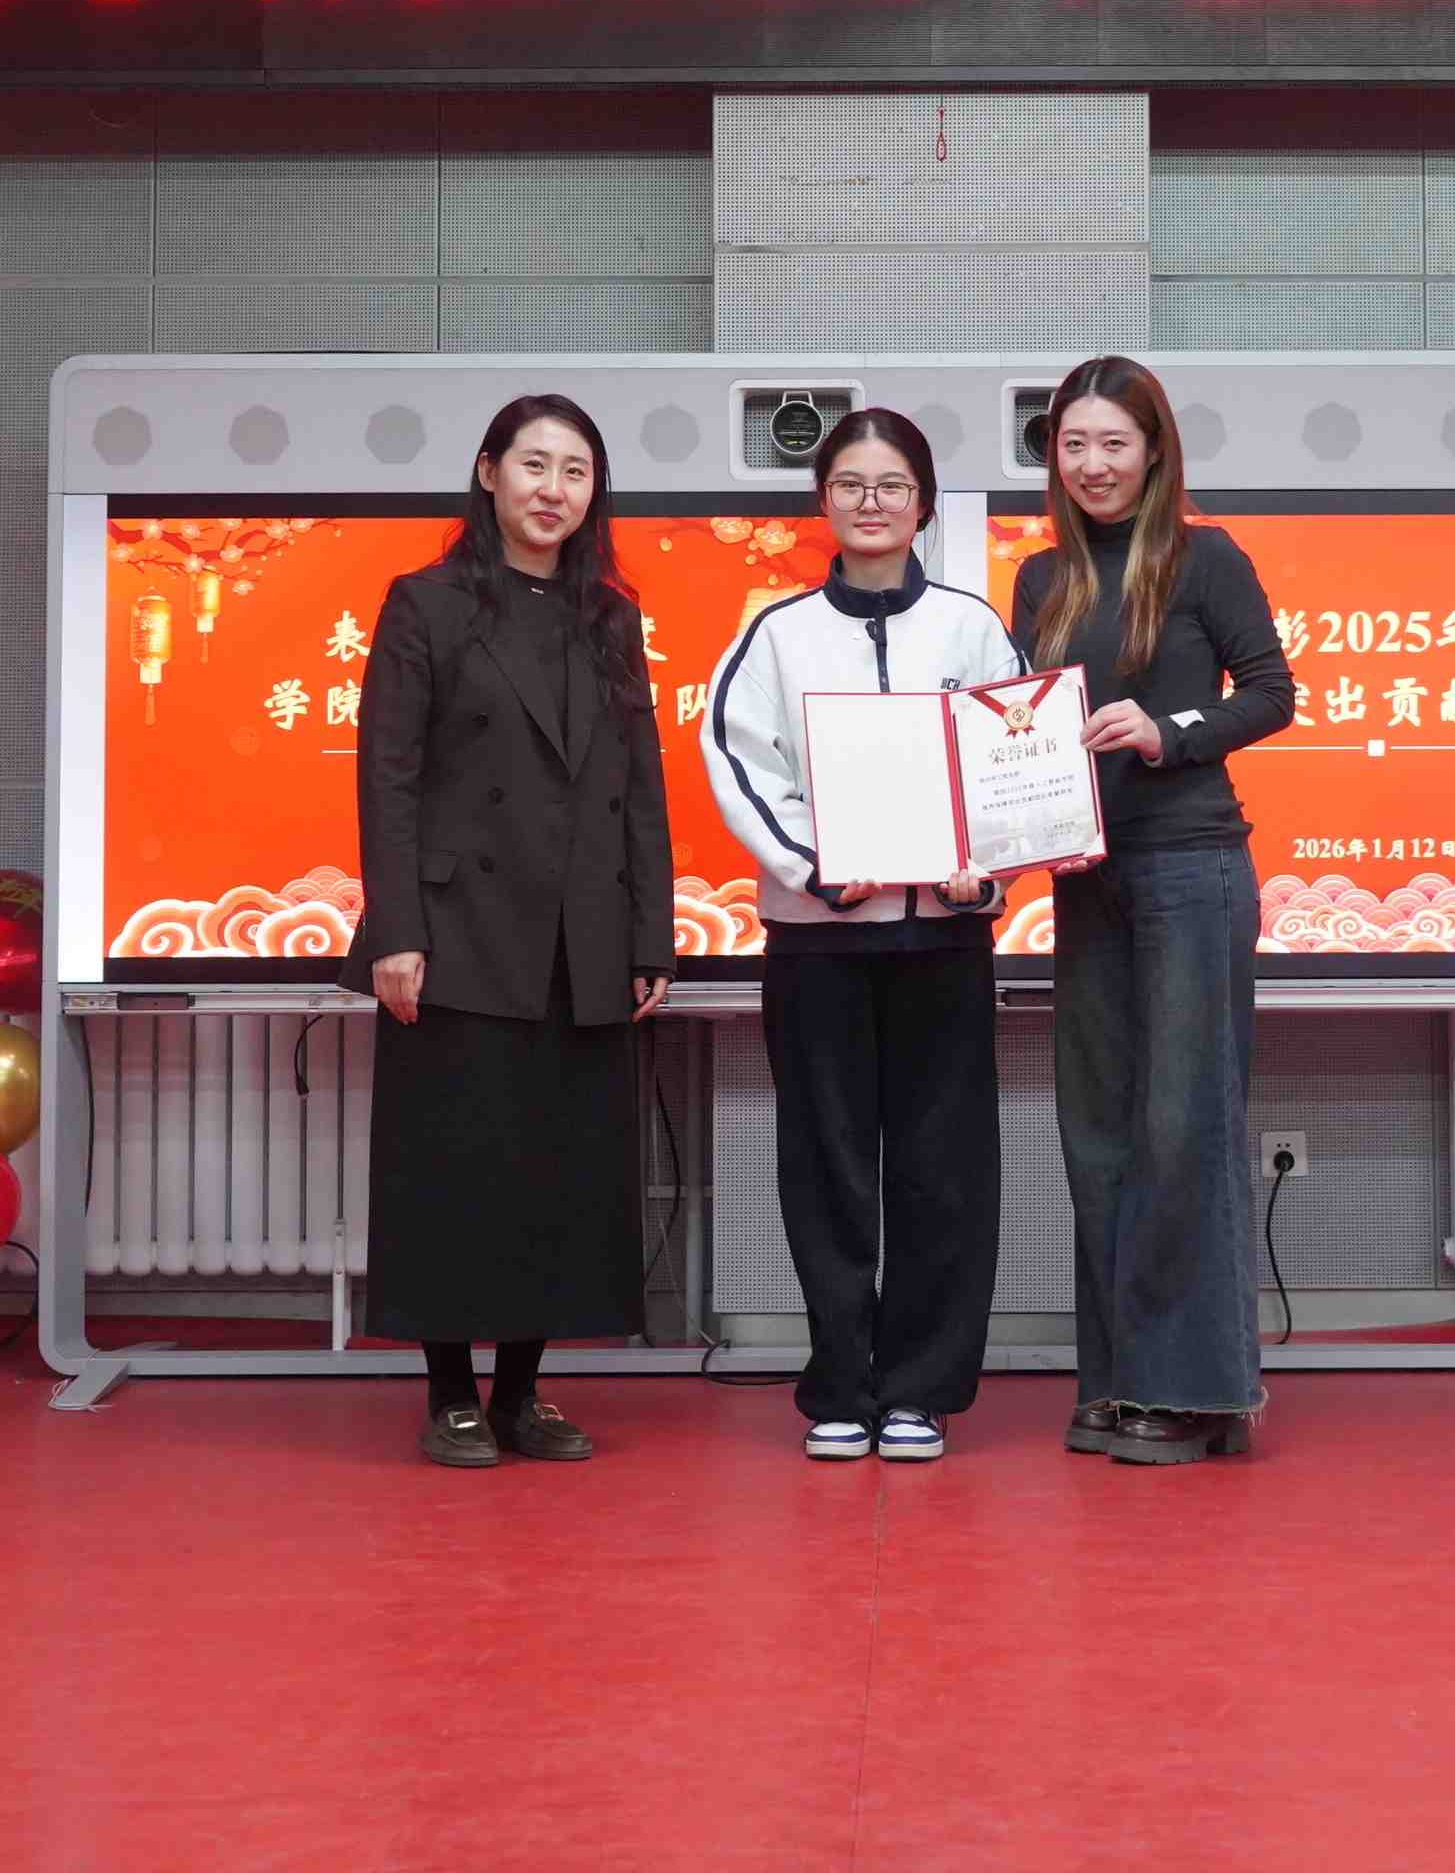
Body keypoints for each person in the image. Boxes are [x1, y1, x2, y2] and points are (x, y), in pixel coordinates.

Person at [342, 394, 674, 1469]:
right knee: (453, 1165)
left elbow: (640, 785)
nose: (553, 489)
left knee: (558, 1171)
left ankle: (523, 1392)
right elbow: (388, 777)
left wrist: (650, 935)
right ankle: (450, 1392)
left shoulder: (609, 616)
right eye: (534, 464)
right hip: (456, 932)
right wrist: (396, 930)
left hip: (582, 934)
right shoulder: (427, 603)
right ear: (488, 473)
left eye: (575, 471)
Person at [703, 409, 1025, 1466]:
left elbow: (1016, 767)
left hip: (944, 943)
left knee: (944, 1171)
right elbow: (741, 763)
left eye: (892, 484)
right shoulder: (777, 633)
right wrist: (817, 867)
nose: (871, 501)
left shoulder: (973, 630)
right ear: (823, 502)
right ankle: (840, 1385)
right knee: (827, 1168)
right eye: (850, 483)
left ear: (923, 503)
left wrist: (985, 871)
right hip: (819, 944)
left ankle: (921, 1389)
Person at [1011, 355, 1296, 1466]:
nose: (1093, 464)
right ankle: (1119, 1378)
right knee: (1098, 1133)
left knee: (1183, 1127)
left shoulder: (1205, 557)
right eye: (1074, 444)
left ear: (1154, 451)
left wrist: (1167, 732)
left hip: (1191, 866)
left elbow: (1271, 692)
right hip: (1086, 875)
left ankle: (1195, 1391)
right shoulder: (1042, 577)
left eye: (1114, 443)